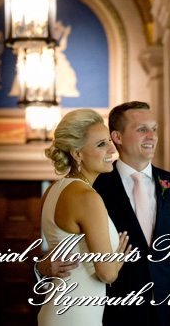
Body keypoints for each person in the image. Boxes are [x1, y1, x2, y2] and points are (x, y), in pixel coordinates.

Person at [37, 102, 170, 326]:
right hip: (113, 316)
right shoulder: (92, 188)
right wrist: (40, 267)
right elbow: (62, 250)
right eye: (141, 129)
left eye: (154, 129)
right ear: (117, 136)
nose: (152, 136)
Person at [34, 108, 130, 324]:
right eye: (101, 144)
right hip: (77, 315)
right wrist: (118, 260)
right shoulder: (88, 197)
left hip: (56, 308)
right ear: (77, 153)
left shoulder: (53, 190)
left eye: (109, 141)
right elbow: (107, 274)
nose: (112, 150)